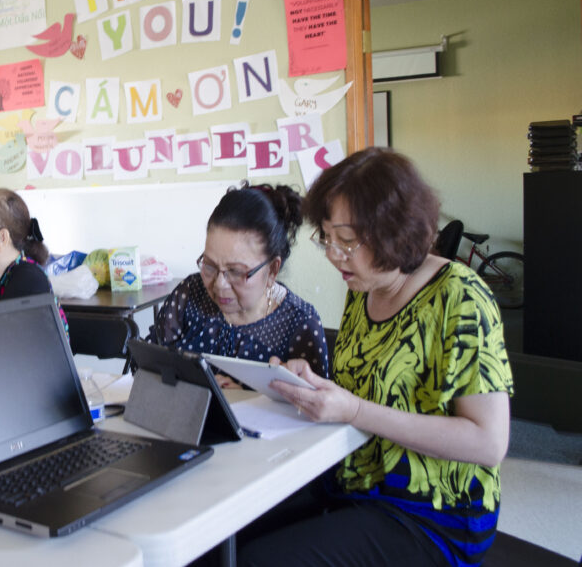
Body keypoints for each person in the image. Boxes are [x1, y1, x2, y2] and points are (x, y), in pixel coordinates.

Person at [239, 148, 513, 567]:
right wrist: (312, 385)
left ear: (396, 233)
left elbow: (489, 443)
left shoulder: (460, 297)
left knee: (260, 560)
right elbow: (364, 390)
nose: (334, 255)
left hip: (433, 511)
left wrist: (353, 410)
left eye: (347, 241)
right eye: (327, 238)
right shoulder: (363, 289)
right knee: (228, 534)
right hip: (355, 481)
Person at [148, 182, 329, 378]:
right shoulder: (190, 294)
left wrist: (252, 394)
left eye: (235, 271)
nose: (219, 284)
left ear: (272, 270)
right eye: (209, 265)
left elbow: (315, 404)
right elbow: (145, 366)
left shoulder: (300, 324)